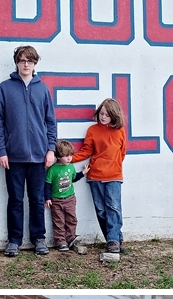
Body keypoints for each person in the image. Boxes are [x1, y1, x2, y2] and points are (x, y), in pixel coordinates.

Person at [0, 45, 57, 257]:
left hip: (38, 156)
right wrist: (1, 150)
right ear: (17, 62)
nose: (26, 64)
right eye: (22, 60)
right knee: (15, 199)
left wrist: (51, 149)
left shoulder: (42, 89)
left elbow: (50, 122)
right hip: (14, 157)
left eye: (30, 60)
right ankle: (14, 240)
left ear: (35, 63)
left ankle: (39, 239)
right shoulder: (5, 88)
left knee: (37, 199)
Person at [80, 98, 127, 263]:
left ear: (114, 115)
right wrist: (69, 158)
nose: (103, 117)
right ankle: (116, 238)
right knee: (101, 210)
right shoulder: (92, 130)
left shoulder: (120, 131)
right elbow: (86, 150)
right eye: (101, 113)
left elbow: (122, 152)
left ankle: (112, 240)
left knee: (113, 208)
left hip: (114, 176)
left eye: (107, 114)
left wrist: (113, 165)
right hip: (95, 176)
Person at [44, 140, 86, 252]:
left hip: (70, 198)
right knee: (59, 221)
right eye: (66, 156)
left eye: (71, 155)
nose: (69, 158)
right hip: (56, 200)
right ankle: (60, 241)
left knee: (72, 219)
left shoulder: (71, 167)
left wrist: (82, 173)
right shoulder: (52, 169)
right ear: (58, 156)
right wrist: (47, 198)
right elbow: (47, 185)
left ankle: (71, 237)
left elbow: (73, 178)